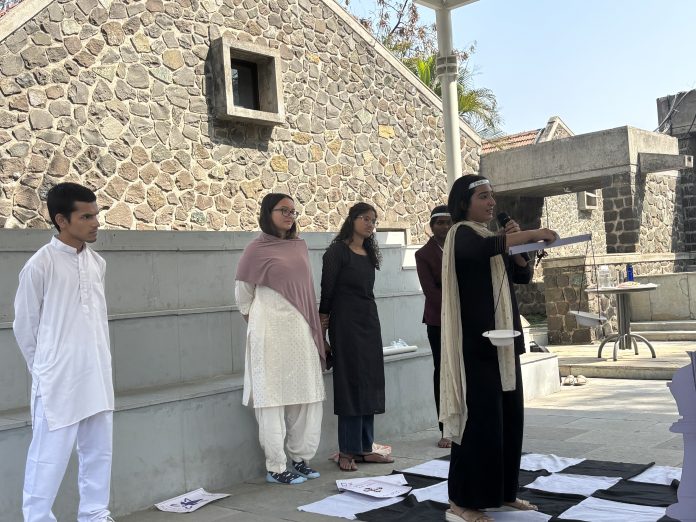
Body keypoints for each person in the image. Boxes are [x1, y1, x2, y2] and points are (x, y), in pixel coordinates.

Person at [439, 175, 558, 522]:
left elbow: (520, 276)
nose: (491, 202)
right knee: (477, 424)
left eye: (492, 196)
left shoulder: (491, 237)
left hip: (504, 344)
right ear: (464, 203)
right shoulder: (462, 234)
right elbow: (485, 249)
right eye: (483, 196)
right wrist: (531, 233)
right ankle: (462, 501)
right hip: (477, 346)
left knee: (507, 420)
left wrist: (522, 251)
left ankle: (502, 492)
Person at [13, 182, 115, 522]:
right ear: (61, 220)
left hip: (97, 373)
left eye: (96, 215)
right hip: (58, 379)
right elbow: (25, 327)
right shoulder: (39, 266)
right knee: (48, 456)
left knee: (98, 450)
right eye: (86, 217)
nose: (95, 223)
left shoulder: (97, 263)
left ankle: (95, 514)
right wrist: (45, 369)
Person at [235, 193, 326, 485]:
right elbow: (243, 296)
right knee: (271, 397)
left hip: (300, 329)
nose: (289, 215)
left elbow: (306, 290)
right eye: (283, 210)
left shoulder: (299, 246)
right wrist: (262, 323)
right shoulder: (255, 249)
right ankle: (276, 466)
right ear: (268, 212)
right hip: (269, 331)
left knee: (306, 396)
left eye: (293, 211)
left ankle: (301, 459)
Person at [319, 202, 394, 472]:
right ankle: (347, 451)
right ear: (352, 219)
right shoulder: (336, 252)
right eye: (365, 218)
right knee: (350, 384)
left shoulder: (369, 253)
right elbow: (326, 292)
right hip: (345, 325)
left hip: (369, 323)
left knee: (370, 382)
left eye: (373, 220)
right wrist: (322, 332)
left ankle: (364, 447)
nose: (370, 224)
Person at [415, 205, 453, 449]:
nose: (445, 227)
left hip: (466, 320)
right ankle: (446, 429)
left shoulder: (461, 247)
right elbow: (431, 291)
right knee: (443, 372)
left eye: (449, 222)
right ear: (431, 226)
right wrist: (456, 308)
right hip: (439, 321)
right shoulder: (424, 254)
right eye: (440, 223)